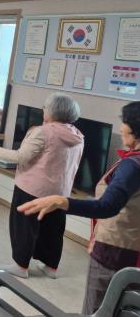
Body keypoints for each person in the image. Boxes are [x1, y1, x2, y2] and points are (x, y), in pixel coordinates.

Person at [17, 101, 140, 313]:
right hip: (131, 251)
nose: (121, 128)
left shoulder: (132, 166)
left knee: (98, 310)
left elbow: (108, 206)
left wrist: (61, 201)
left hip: (115, 251)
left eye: (125, 122)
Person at [0, 93, 84, 279]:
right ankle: (51, 267)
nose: (43, 110)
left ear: (51, 111)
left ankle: (21, 265)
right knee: (53, 229)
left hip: (32, 189)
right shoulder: (78, 135)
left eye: (45, 107)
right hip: (60, 193)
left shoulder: (43, 132)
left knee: (24, 227)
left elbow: (21, 157)